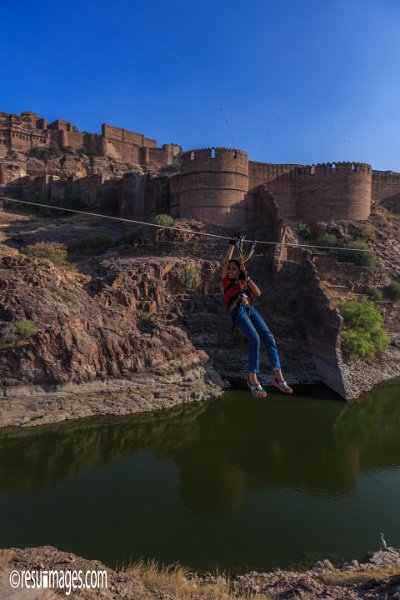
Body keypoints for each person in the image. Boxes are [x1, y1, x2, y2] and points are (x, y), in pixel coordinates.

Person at [220, 238, 293, 398]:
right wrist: (232, 244)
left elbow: (258, 294)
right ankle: (252, 378)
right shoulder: (225, 281)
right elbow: (226, 261)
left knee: (269, 337)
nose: (231, 271)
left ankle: (278, 376)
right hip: (237, 311)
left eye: (234, 269)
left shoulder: (242, 281)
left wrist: (248, 278)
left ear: (238, 271)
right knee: (255, 338)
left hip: (249, 309)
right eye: (230, 269)